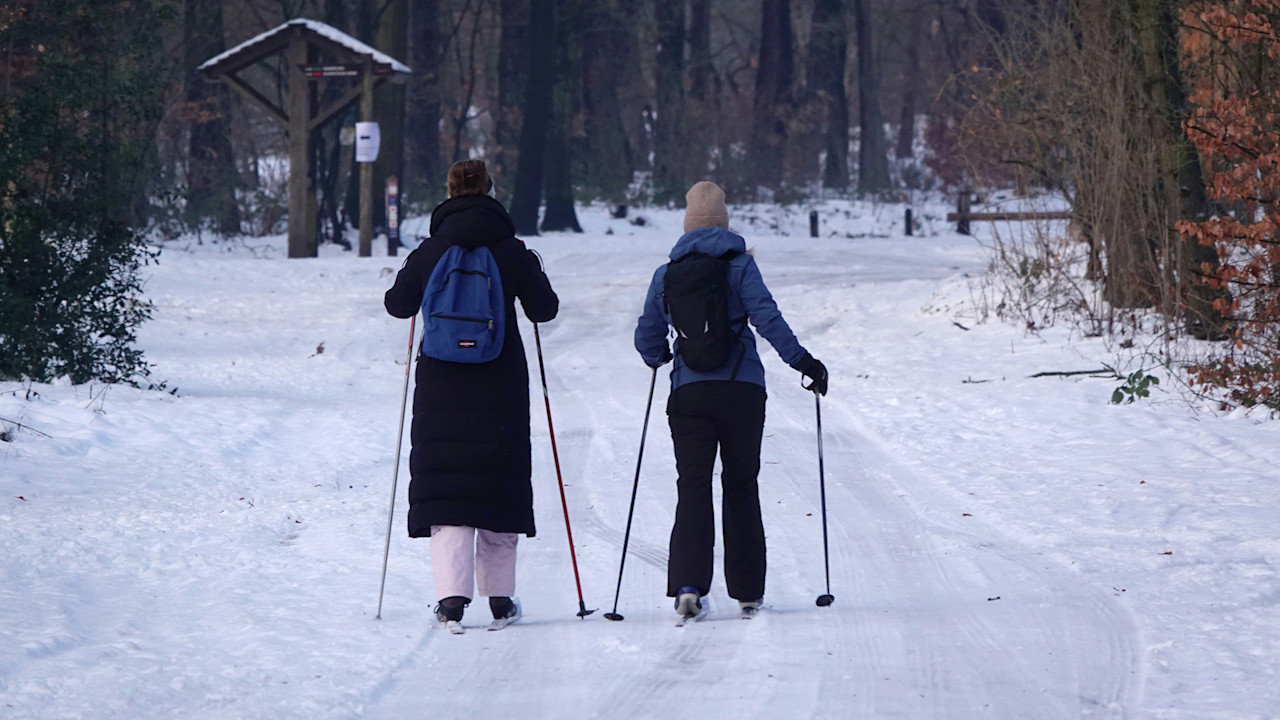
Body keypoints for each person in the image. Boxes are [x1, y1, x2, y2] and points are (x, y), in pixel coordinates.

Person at [634, 180, 828, 620]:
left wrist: (660, 355)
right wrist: (805, 363)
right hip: (742, 392)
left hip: (689, 394)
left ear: (687, 224)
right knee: (741, 486)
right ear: (724, 222)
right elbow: (767, 318)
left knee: (692, 486)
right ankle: (746, 591)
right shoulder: (740, 266)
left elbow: (647, 335)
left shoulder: (666, 274)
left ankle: (687, 586)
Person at [384, 160, 558, 629]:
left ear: (448, 191)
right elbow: (545, 309)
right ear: (490, 190)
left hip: (442, 384)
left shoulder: (431, 251)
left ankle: (451, 600)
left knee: (448, 488)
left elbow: (397, 305)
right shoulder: (510, 250)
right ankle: (501, 598)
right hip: (500, 382)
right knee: (498, 487)